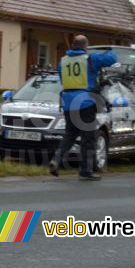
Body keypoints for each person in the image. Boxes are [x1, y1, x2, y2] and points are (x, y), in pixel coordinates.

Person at [49, 35, 116, 181]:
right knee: (88, 138)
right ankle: (86, 171)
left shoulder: (62, 61)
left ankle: (56, 159)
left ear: (73, 46)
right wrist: (108, 49)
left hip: (68, 102)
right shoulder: (90, 59)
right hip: (85, 102)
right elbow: (112, 58)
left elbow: (63, 79)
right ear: (85, 46)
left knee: (70, 134)